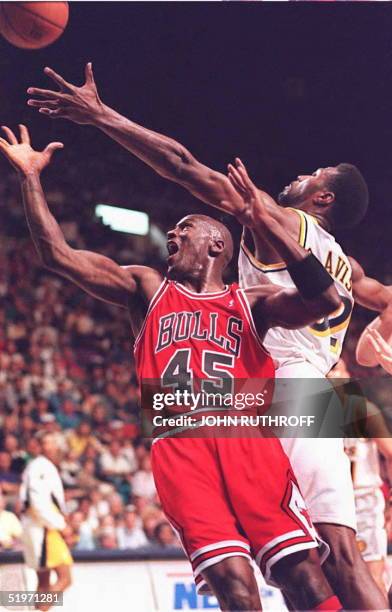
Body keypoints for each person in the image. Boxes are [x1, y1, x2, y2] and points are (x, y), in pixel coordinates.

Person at [26, 62, 390, 609]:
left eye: (314, 175)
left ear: (324, 200)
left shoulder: (282, 221)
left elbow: (180, 165)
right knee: (323, 556)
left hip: (283, 389)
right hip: (325, 396)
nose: (301, 176)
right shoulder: (349, 266)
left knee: (330, 556)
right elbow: (382, 301)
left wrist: (102, 117)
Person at [329, 358, 392, 599]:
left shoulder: (363, 410)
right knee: (331, 580)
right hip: (327, 502)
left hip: (363, 502)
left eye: (336, 369)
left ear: (346, 374)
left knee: (371, 576)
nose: (332, 376)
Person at [19, 432, 72, 611]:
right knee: (65, 578)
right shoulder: (41, 467)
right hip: (44, 529)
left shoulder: (37, 466)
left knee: (43, 582)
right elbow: (37, 503)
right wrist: (61, 525)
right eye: (48, 443)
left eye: (53, 442)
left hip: (38, 527)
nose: (52, 447)